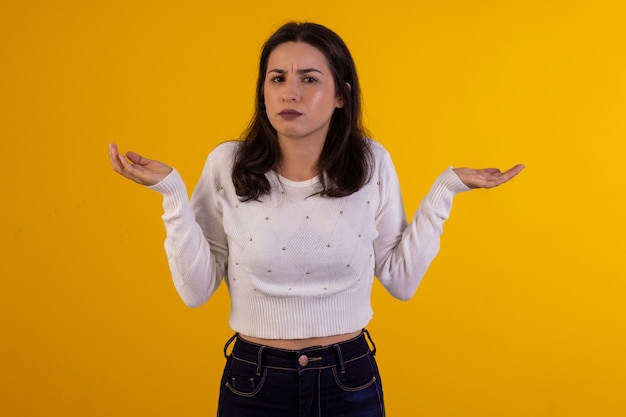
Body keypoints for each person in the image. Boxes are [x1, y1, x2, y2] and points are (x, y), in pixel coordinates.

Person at [109, 21, 524, 417]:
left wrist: (444, 191)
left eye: (309, 79)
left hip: (349, 379)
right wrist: (172, 195)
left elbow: (400, 280)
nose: (290, 93)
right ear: (263, 91)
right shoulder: (227, 166)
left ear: (341, 95)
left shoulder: (371, 163)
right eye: (277, 78)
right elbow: (195, 291)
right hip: (253, 382)